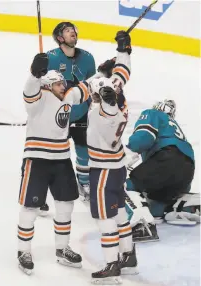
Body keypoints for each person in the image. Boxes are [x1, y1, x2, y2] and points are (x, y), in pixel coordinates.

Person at [17, 52, 98, 274]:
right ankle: (23, 250)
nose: (64, 86)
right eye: (59, 83)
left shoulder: (68, 96)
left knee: (65, 206)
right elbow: (29, 90)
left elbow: (86, 87)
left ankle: (62, 249)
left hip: (62, 160)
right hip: (37, 159)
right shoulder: (38, 99)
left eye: (64, 83)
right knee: (31, 207)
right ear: (47, 85)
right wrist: (35, 73)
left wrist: (105, 70)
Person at [87, 31, 138, 285]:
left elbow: (96, 96)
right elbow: (122, 74)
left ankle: (111, 264)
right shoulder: (119, 101)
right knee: (119, 215)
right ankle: (128, 255)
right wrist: (123, 50)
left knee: (104, 218)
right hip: (118, 168)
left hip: (103, 171)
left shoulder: (100, 113)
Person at [37, 21, 96, 212]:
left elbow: (92, 87)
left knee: (84, 151)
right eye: (68, 31)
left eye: (74, 30)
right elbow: (39, 86)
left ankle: (85, 184)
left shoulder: (88, 58)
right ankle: (39, 191)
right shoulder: (50, 58)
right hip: (57, 116)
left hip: (80, 113)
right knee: (48, 155)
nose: (73, 33)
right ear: (60, 38)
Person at [124, 99, 196, 242]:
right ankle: (183, 204)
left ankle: (141, 224)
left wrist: (125, 153)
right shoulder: (174, 127)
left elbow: (143, 137)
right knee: (156, 205)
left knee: (124, 183)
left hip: (166, 159)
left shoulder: (153, 113)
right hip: (188, 167)